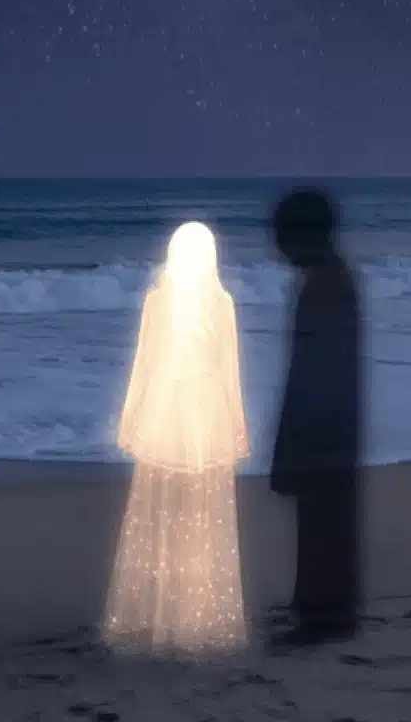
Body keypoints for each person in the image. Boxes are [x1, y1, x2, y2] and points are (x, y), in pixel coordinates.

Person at [102, 221, 251, 657]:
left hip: (166, 411)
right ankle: (191, 617)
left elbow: (144, 367)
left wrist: (131, 421)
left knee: (162, 512)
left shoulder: (162, 301)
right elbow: (228, 370)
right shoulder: (219, 303)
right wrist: (236, 428)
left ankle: (159, 617)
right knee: (199, 515)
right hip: (205, 413)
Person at [268, 187, 366, 646]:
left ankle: (324, 616)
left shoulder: (327, 285)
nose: (277, 247)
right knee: (323, 520)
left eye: (282, 236)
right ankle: (318, 607)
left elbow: (314, 372)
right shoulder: (329, 278)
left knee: (323, 522)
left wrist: (294, 439)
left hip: (324, 427)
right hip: (333, 425)